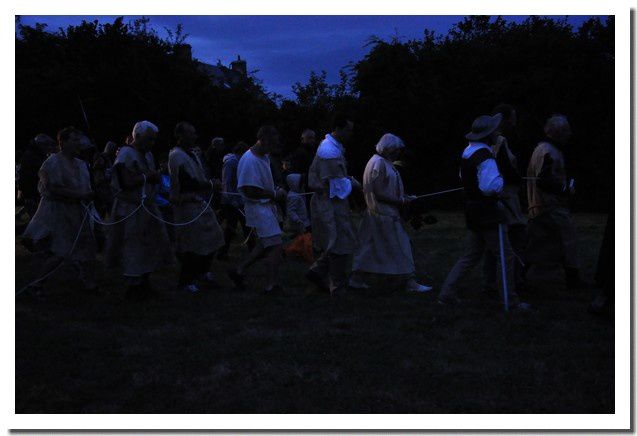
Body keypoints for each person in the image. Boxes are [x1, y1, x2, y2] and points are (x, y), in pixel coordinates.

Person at [438, 114, 529, 311]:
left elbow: (463, 176)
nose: (498, 133)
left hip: (472, 210)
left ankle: (446, 293)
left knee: (471, 255)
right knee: (505, 257)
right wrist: (501, 182)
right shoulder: (485, 157)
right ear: (488, 135)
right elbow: (490, 187)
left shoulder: (468, 152)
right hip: (488, 212)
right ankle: (510, 301)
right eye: (495, 131)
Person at [349, 133, 432, 293]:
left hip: (378, 214)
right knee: (402, 247)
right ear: (386, 148)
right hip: (384, 215)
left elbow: (385, 189)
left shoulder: (381, 162)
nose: (397, 154)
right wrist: (401, 201)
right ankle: (410, 282)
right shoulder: (379, 163)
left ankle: (356, 279)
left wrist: (404, 197)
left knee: (370, 248)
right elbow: (379, 192)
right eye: (395, 151)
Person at [22, 127, 97, 294]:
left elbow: (85, 185)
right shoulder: (52, 162)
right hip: (61, 211)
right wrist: (79, 194)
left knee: (86, 246)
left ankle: (88, 283)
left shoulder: (80, 163)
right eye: (73, 139)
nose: (77, 143)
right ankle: (37, 284)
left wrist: (88, 194)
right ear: (62, 143)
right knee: (61, 250)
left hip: (78, 211)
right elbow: (52, 187)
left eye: (78, 140)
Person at [104, 121, 173, 300]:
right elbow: (126, 182)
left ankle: (144, 281)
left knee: (151, 243)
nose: (152, 143)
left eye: (154, 140)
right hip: (131, 208)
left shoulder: (148, 154)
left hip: (147, 207)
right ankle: (133, 286)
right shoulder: (126, 154)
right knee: (133, 245)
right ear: (138, 136)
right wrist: (148, 176)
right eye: (149, 139)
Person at [305, 113, 360, 295]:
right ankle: (337, 285)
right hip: (330, 203)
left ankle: (318, 270)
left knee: (338, 239)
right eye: (348, 130)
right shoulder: (329, 151)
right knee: (340, 242)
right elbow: (334, 185)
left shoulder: (331, 147)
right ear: (338, 129)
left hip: (331, 201)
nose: (351, 133)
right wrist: (352, 183)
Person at [228, 125, 287, 294]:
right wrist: (275, 194)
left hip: (265, 206)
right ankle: (271, 285)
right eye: (272, 143)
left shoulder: (263, 156)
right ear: (263, 140)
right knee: (275, 245)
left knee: (263, 243)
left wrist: (276, 189)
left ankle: (239, 270)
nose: (273, 148)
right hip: (258, 208)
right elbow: (249, 190)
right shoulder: (250, 160)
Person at [168, 122, 225, 293]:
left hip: (199, 201)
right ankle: (185, 281)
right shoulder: (176, 155)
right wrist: (209, 185)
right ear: (180, 136)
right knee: (191, 244)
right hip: (186, 203)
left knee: (215, 236)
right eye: (191, 133)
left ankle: (202, 272)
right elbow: (186, 181)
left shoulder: (191, 154)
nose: (195, 136)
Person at [526, 114, 581, 288]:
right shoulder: (548, 151)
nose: (570, 134)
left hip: (539, 205)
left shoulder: (541, 148)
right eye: (567, 131)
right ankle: (573, 279)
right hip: (550, 205)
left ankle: (519, 277)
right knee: (569, 239)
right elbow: (544, 180)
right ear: (559, 133)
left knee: (536, 243)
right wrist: (565, 190)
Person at [482, 104, 527, 294]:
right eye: (513, 117)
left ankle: (491, 282)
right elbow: (506, 169)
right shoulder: (500, 141)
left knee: (494, 242)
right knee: (511, 238)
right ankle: (511, 282)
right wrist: (519, 179)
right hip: (505, 195)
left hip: (497, 195)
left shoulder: (491, 141)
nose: (515, 121)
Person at [217, 141, 251, 260]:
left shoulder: (240, 162)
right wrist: (232, 200)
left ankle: (253, 250)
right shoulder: (231, 163)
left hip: (239, 200)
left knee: (247, 225)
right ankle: (222, 253)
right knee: (231, 228)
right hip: (230, 201)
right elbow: (226, 183)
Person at [17, 133, 56, 218]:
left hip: (34, 190)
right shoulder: (31, 156)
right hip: (31, 191)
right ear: (40, 145)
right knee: (37, 217)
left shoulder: (35, 155)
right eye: (46, 145)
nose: (48, 148)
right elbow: (25, 175)